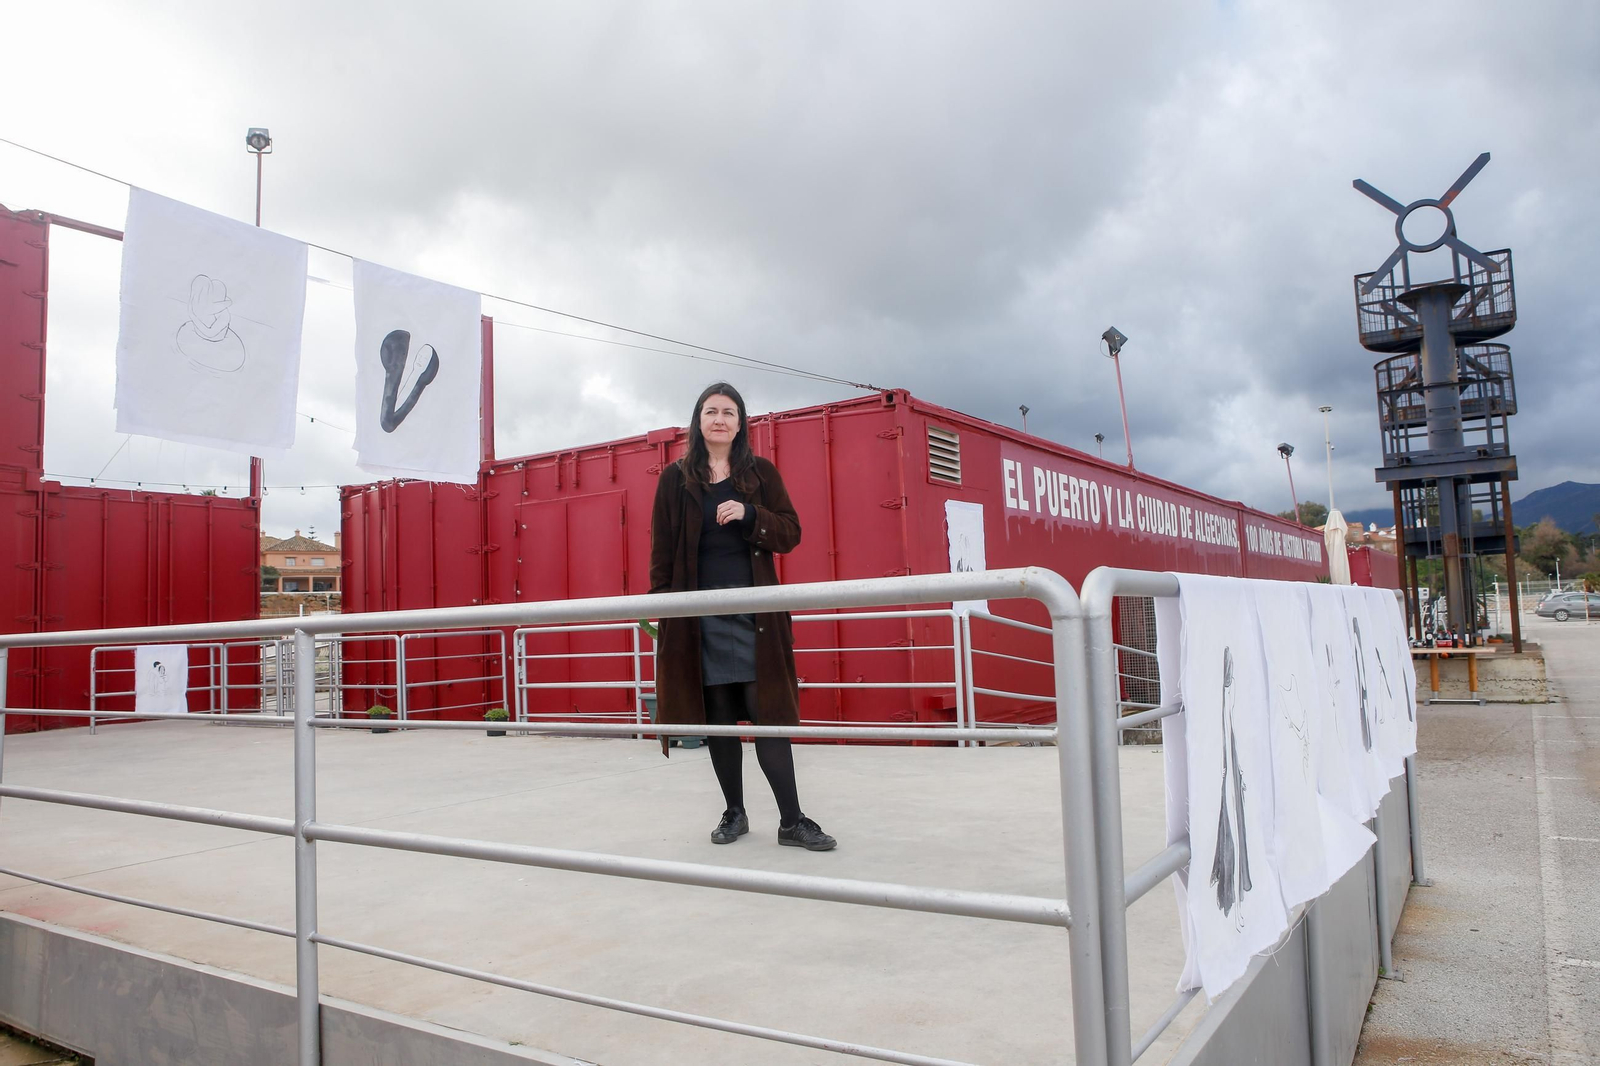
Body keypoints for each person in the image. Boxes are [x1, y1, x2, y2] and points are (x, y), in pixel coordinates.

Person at [648, 382, 837, 851]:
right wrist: (663, 611)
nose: (719, 419)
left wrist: (751, 514)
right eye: (710, 411)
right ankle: (734, 813)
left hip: (755, 616)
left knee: (767, 713)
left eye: (728, 412)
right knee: (718, 718)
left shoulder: (760, 473)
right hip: (699, 617)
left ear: (740, 423)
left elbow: (790, 532)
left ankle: (792, 820)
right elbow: (661, 552)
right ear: (698, 421)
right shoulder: (675, 479)